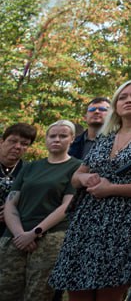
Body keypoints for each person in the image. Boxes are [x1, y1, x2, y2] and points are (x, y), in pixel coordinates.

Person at [48, 79, 131, 301]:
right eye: (122, 97)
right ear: (116, 105)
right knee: (76, 286)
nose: (129, 100)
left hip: (124, 222)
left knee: (110, 289)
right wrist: (86, 178)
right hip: (86, 220)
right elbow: (76, 177)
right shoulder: (105, 138)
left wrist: (113, 188)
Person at [0, 120, 81, 301]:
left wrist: (35, 233)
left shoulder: (77, 166)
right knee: (6, 290)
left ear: (72, 139)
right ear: (46, 139)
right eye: (52, 136)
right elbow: (11, 203)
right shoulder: (29, 167)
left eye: (63, 136)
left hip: (50, 236)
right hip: (14, 235)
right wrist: (20, 233)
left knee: (38, 294)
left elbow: (67, 206)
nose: (57, 140)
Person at [0, 124, 36, 208]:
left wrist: (10, 211)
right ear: (1, 142)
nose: (17, 147)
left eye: (24, 144)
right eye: (13, 141)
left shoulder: (30, 171)